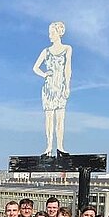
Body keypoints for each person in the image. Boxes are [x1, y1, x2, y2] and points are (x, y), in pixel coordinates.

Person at [32, 20, 72, 155]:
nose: (50, 35)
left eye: (52, 33)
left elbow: (68, 69)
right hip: (49, 87)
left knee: (60, 118)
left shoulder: (67, 49)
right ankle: (49, 146)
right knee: (49, 119)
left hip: (60, 85)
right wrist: (44, 75)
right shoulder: (46, 51)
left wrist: (67, 85)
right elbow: (35, 67)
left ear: (58, 33)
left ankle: (60, 146)